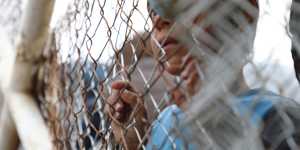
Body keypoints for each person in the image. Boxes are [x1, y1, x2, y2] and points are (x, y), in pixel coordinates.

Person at [105, 0, 300, 149]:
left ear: (241, 11)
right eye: (153, 11)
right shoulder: (165, 121)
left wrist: (218, 129)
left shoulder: (278, 118)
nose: (159, 19)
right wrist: (135, 144)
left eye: (177, 3)